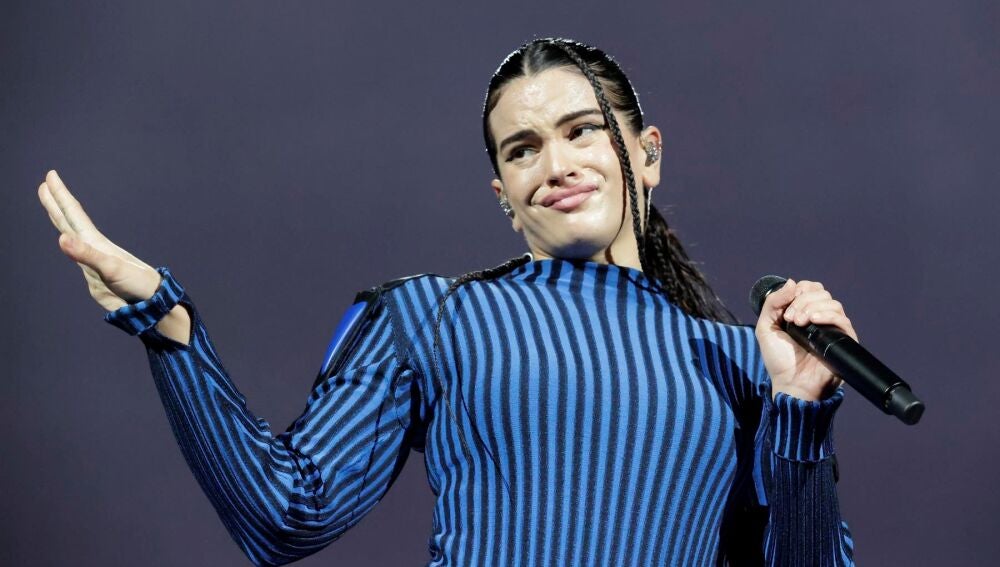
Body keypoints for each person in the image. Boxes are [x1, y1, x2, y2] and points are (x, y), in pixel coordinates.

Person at [38, 38, 858, 566]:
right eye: (523, 149)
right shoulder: (431, 318)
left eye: (581, 130)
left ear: (647, 155)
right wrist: (169, 325)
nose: (557, 164)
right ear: (505, 197)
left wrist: (798, 409)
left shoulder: (744, 361)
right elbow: (281, 515)